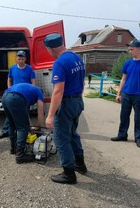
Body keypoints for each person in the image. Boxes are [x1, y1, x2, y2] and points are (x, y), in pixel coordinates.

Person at [44, 33, 87, 185]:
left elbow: (58, 91)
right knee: (72, 134)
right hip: (77, 101)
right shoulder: (76, 58)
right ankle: (80, 164)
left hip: (67, 103)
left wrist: (49, 116)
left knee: (61, 138)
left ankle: (69, 174)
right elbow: (81, 82)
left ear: (50, 48)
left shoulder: (60, 62)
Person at [111, 39, 140, 148]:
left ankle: (138, 138)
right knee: (124, 115)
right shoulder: (128, 63)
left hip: (139, 94)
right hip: (126, 93)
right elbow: (123, 79)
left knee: (138, 117)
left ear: (139, 49)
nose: (130, 51)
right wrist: (118, 93)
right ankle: (122, 135)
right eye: (129, 49)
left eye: (132, 49)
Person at [0, 50, 36, 139]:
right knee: (9, 115)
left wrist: (32, 91)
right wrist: (9, 89)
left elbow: (33, 81)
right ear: (16, 59)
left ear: (25, 59)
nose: (20, 60)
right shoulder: (12, 68)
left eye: (22, 59)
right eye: (19, 58)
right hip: (14, 95)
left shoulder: (29, 69)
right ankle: (5, 131)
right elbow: (9, 79)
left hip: (25, 96)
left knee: (25, 113)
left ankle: (25, 131)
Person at [1, 83, 44, 163]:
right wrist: (39, 126)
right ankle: (20, 155)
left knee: (12, 124)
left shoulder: (28, 90)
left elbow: (25, 113)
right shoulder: (39, 92)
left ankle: (13, 149)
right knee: (23, 128)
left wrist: (30, 125)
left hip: (5, 97)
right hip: (15, 98)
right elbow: (40, 112)